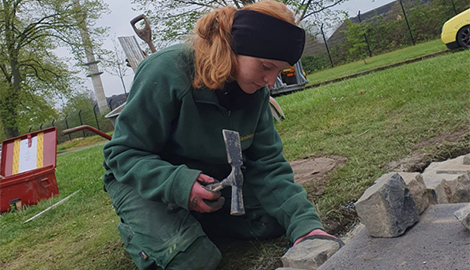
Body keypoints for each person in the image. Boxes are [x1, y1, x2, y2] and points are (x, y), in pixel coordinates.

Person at [102, 1, 340, 269]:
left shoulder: (255, 91)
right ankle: (142, 234)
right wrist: (179, 184)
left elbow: (268, 164)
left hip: (210, 180)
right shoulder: (166, 71)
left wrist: (307, 227)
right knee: (194, 259)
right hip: (144, 183)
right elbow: (121, 154)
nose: (271, 82)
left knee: (273, 220)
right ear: (236, 48)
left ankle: (198, 222)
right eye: (265, 66)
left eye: (279, 70)